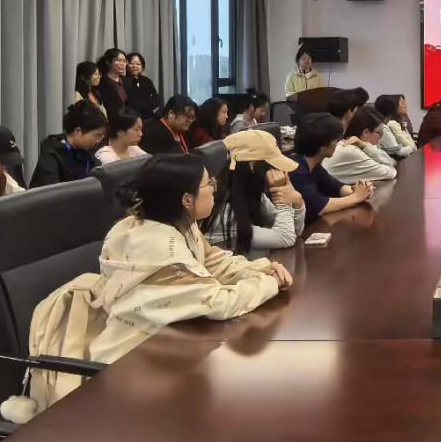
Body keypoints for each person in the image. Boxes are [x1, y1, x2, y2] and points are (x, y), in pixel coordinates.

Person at [15, 153, 292, 417]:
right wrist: (268, 283)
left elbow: (213, 261)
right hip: (127, 372)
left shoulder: (175, 223)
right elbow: (220, 302)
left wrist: (258, 268)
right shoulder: (159, 248)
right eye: (208, 183)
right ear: (186, 199)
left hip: (164, 352)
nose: (214, 188)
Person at [206, 129, 306, 253]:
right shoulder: (224, 212)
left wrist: (297, 201)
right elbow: (286, 237)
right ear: (253, 166)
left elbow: (294, 232)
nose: (281, 172)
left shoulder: (253, 193)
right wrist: (283, 200)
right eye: (275, 167)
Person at [289, 112, 375, 219]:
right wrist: (356, 197)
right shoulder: (296, 170)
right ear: (322, 145)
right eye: (335, 140)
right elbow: (320, 207)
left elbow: (336, 187)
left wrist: (360, 190)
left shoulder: (314, 166)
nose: (337, 143)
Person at [29, 101, 108, 187]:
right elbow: (52, 191)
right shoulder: (52, 156)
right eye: (97, 135)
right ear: (78, 131)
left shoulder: (87, 155)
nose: (98, 141)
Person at [324, 107, 399, 183]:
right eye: (379, 133)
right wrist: (366, 146)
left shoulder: (354, 146)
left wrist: (364, 145)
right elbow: (390, 173)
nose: (381, 137)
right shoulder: (351, 151)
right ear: (366, 132)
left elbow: (391, 162)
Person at [374, 94, 417, 158]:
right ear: (392, 106)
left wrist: (412, 147)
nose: (405, 105)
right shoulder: (385, 127)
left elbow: (410, 144)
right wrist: (412, 148)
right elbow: (399, 152)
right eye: (402, 103)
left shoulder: (399, 121)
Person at [124, 51, 162, 119]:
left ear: (142, 67)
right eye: (131, 63)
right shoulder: (123, 81)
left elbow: (155, 99)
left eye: (138, 64)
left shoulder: (147, 81)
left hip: (150, 116)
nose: (134, 66)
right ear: (126, 65)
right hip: (132, 118)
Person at [95, 48, 129, 118]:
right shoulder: (101, 82)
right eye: (118, 60)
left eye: (124, 61)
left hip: (129, 119)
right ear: (108, 62)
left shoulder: (127, 81)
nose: (122, 64)